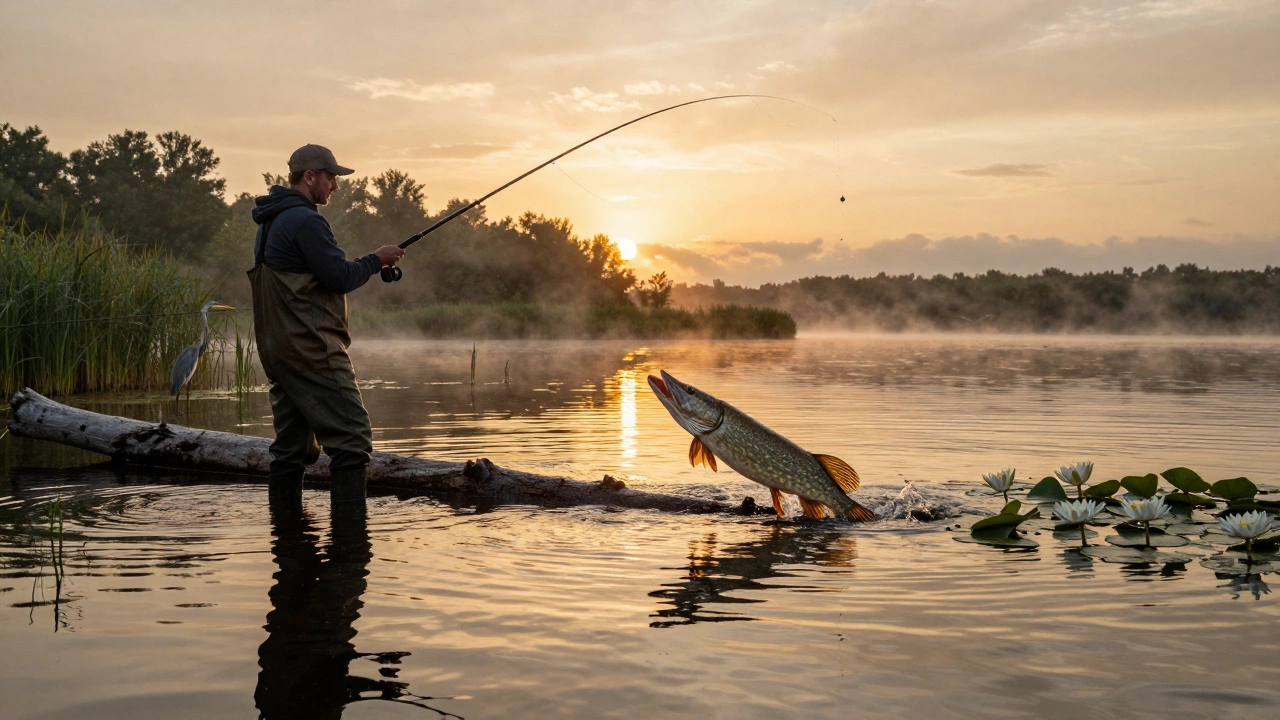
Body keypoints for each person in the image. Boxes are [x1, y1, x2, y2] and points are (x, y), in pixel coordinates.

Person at [249, 144, 405, 506]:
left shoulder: (270, 222)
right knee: (352, 443)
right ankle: (348, 551)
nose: (335, 186)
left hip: (280, 353)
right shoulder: (306, 220)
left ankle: (288, 544)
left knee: (290, 449)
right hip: (312, 350)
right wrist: (376, 259)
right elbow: (339, 276)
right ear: (310, 177)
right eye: (331, 177)